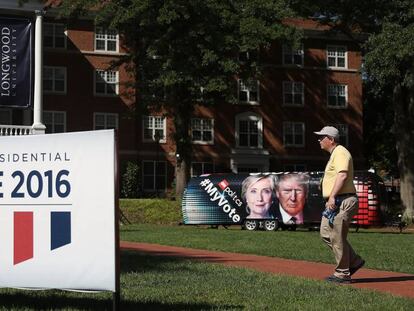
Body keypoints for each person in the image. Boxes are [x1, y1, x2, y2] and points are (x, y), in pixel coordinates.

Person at [314, 126, 365, 284]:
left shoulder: (341, 152)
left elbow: (342, 175)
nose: (319, 140)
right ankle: (354, 261)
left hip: (342, 200)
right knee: (325, 233)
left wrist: (332, 196)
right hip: (336, 201)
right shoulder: (334, 154)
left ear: (331, 139)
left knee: (336, 235)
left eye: (322, 137)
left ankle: (342, 274)